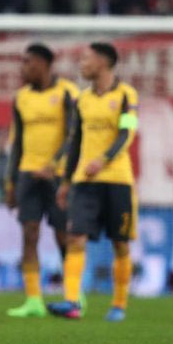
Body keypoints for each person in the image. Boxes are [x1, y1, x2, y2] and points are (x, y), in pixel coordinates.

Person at [48, 42, 138, 322]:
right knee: (75, 237)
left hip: (117, 180)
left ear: (103, 62)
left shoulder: (126, 95)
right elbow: (75, 142)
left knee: (120, 243)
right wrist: (66, 181)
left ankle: (119, 305)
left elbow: (127, 133)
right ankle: (72, 301)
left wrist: (104, 159)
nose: (82, 64)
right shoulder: (82, 99)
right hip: (84, 181)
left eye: (86, 59)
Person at [4, 43, 79, 318]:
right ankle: (33, 299)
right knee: (29, 233)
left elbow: (74, 135)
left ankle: (73, 294)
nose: (24, 68)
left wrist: (55, 164)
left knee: (63, 235)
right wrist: (10, 182)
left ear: (45, 64)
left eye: (29, 62)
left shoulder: (67, 92)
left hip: (57, 175)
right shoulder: (21, 97)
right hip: (28, 173)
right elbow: (17, 143)